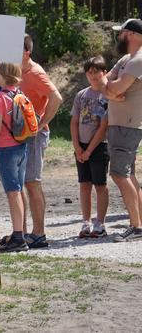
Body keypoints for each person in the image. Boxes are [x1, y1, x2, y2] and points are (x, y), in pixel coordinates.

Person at [97, 18, 142, 242]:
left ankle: (136, 226)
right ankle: (139, 223)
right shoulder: (126, 59)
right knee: (128, 175)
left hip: (128, 125)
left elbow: (115, 86)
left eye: (121, 33)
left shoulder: (138, 60)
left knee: (119, 174)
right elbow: (104, 81)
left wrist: (111, 89)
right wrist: (111, 89)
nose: (119, 37)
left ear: (131, 35)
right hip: (120, 124)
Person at [19, 34, 62, 248]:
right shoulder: (17, 70)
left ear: (26, 52)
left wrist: (41, 123)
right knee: (25, 182)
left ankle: (39, 233)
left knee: (32, 182)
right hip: (22, 134)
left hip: (34, 135)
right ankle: (25, 232)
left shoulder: (35, 72)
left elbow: (57, 98)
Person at [0, 62, 28, 252]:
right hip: (22, 146)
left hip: (6, 148)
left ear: (4, 75)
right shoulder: (19, 94)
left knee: (12, 193)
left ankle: (19, 238)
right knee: (19, 190)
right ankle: (19, 233)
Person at [70, 56, 109, 239]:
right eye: (89, 71)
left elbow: (103, 127)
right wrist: (77, 146)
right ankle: (85, 221)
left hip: (99, 146)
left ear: (104, 72)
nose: (93, 75)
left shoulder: (108, 95)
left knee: (100, 185)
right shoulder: (81, 95)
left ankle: (100, 223)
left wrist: (89, 150)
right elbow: (74, 122)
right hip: (82, 146)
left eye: (96, 71)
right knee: (84, 185)